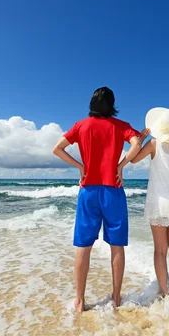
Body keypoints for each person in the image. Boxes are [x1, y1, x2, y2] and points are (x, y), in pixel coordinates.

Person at [53, 86, 141, 312]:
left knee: (84, 246)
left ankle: (80, 301)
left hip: (88, 191)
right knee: (117, 246)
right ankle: (117, 296)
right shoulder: (121, 126)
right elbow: (137, 144)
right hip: (113, 190)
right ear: (112, 105)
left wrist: (80, 166)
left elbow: (58, 149)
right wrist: (120, 166)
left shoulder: (81, 126)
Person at [127, 107, 169, 296]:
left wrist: (140, 139)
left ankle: (166, 292)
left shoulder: (154, 144)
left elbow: (132, 160)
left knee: (160, 250)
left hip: (158, 202)